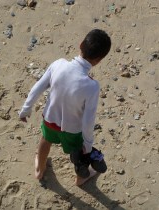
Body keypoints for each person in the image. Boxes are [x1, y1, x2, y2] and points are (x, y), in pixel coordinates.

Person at [18, 29, 111, 186]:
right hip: (72, 130)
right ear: (98, 60)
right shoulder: (92, 86)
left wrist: (26, 109)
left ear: (80, 44)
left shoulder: (58, 64)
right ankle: (81, 177)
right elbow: (89, 119)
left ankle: (40, 170)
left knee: (45, 140)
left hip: (50, 120)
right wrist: (88, 144)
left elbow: (38, 87)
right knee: (79, 154)